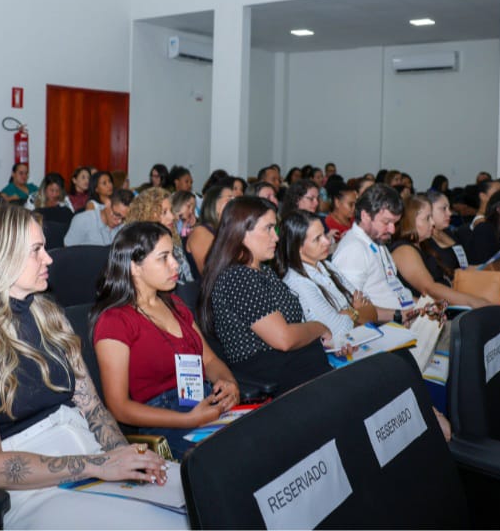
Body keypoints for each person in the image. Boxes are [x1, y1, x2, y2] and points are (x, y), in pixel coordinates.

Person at [0, 202, 183, 529]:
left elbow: (93, 409)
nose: (49, 258)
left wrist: (128, 461)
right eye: (36, 250)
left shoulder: (49, 317)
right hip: (33, 491)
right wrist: (100, 464)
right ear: (2, 256)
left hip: (91, 462)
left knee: (198, 493)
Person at [91, 222, 239, 458]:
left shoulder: (175, 304)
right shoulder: (114, 321)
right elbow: (119, 407)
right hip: (165, 421)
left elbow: (209, 361)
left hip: (204, 403)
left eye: (173, 255)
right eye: (163, 257)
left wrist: (229, 383)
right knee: (229, 455)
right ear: (135, 268)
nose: (175, 264)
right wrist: (188, 419)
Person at [197, 196, 330, 393]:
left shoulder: (263, 271)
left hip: (293, 366)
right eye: (268, 229)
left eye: (275, 229)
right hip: (271, 374)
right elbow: (283, 339)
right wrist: (319, 328)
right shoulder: (238, 277)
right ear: (242, 232)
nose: (276, 237)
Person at [275, 211, 376, 349]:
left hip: (358, 343)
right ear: (298, 248)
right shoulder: (298, 283)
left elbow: (372, 311)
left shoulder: (326, 266)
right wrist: (356, 311)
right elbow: (337, 331)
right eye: (317, 239)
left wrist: (351, 313)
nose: (327, 241)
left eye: (324, 234)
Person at [329, 183, 413, 319]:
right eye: (386, 222)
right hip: (387, 328)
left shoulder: (377, 240)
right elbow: (350, 309)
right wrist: (401, 315)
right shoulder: (353, 250)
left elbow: (395, 290)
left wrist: (422, 307)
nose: (392, 230)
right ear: (365, 216)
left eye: (395, 223)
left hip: (404, 319)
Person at [391, 196, 494, 308]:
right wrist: (472, 301)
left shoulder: (422, 244)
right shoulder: (404, 250)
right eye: (427, 218)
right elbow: (429, 288)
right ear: (410, 221)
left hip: (443, 305)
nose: (432, 223)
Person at [126, 187, 194, 283]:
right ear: (148, 215)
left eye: (171, 211)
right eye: (164, 212)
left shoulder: (174, 242)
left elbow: (188, 280)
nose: (172, 217)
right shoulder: (138, 250)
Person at [184, 185, 237, 276]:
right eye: (229, 199)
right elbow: (210, 273)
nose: (235, 204)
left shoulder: (226, 232)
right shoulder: (200, 232)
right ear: (214, 203)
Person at [64, 190, 133, 246]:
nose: (119, 222)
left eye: (123, 219)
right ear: (107, 203)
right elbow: (67, 253)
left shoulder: (124, 227)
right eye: (116, 214)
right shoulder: (82, 220)